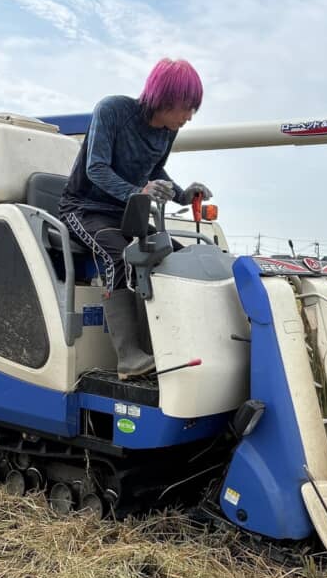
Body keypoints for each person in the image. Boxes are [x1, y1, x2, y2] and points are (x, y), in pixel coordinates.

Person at [59, 58, 212, 380]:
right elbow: (96, 168)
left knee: (177, 255)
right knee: (119, 255)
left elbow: (155, 169)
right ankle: (128, 357)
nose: (189, 116)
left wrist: (184, 195)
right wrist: (138, 191)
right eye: (187, 107)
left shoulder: (167, 132)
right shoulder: (113, 110)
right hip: (84, 209)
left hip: (127, 211)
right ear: (166, 98)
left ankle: (177, 344)